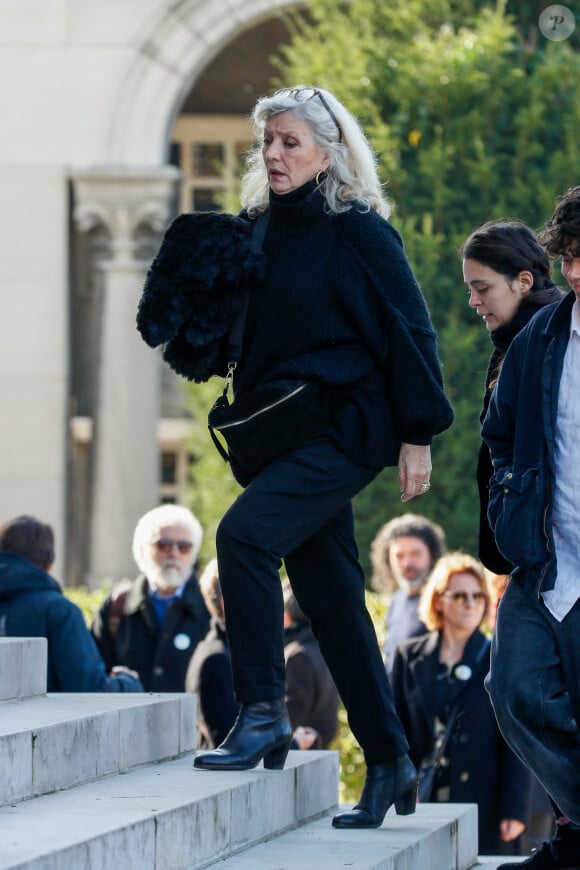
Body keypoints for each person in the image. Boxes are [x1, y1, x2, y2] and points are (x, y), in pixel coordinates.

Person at [147, 84, 454, 829]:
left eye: (291, 142)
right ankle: (389, 763)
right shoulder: (252, 231)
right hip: (284, 434)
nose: (275, 155)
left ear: (328, 150)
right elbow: (228, 337)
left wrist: (419, 434)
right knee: (333, 603)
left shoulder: (358, 231)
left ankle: (262, 712)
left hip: (345, 429)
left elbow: (410, 332)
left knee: (244, 538)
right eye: (268, 143)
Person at [482, 186, 580, 869]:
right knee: (511, 687)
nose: (574, 273)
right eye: (569, 257)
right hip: (546, 559)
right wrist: (509, 510)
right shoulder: (541, 338)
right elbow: (500, 436)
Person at [391, 552, 531, 856]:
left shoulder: (502, 655)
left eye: (477, 596)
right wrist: (398, 789)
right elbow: (395, 729)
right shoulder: (408, 656)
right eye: (460, 596)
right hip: (424, 797)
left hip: (486, 801)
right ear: (438, 600)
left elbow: (518, 739)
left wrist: (515, 808)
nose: (471, 603)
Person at [461, 219, 563, 575]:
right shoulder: (513, 339)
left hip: (549, 552)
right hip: (527, 549)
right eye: (470, 289)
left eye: (482, 288)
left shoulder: (555, 342)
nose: (473, 301)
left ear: (523, 281)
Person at [0, 515, 143, 692]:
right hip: (42, 719)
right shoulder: (58, 611)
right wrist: (128, 682)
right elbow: (89, 689)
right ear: (49, 565)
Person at [92, 504, 210, 692]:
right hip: (131, 720)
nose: (174, 553)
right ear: (142, 550)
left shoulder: (212, 608)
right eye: (163, 544)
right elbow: (95, 675)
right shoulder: (117, 607)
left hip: (191, 721)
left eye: (184, 547)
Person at [370, 513, 446, 676]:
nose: (407, 563)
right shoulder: (396, 601)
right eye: (399, 555)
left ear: (431, 556)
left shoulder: (444, 602)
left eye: (416, 554)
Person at [185, 559, 239, 748]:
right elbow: (229, 740)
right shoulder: (216, 659)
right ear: (227, 603)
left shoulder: (218, 650)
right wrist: (296, 743)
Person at [282, 581, 339, 750]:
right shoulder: (323, 649)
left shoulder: (297, 655)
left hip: (301, 753)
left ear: (286, 615)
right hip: (319, 750)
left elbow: (289, 718)